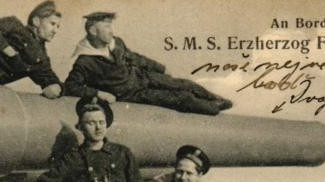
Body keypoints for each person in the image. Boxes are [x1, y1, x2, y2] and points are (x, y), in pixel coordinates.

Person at [64, 12, 232, 115]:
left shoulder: (117, 43)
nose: (111, 31)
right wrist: (98, 93)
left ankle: (217, 101)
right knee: (181, 98)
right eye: (107, 27)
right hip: (133, 93)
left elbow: (135, 58)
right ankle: (213, 110)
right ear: (93, 31)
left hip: (142, 77)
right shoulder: (85, 61)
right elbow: (71, 86)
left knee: (185, 84)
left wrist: (160, 68)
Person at [29, 96, 150, 182]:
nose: (98, 128)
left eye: (101, 122)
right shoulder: (74, 158)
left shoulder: (122, 153)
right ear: (80, 127)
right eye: (91, 123)